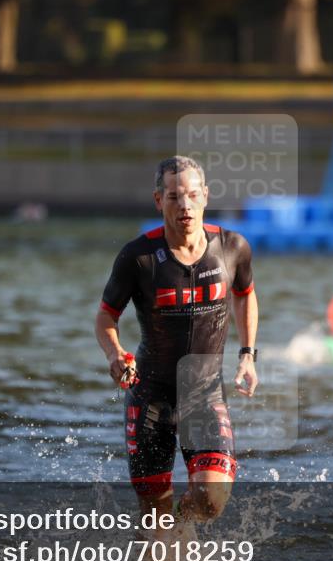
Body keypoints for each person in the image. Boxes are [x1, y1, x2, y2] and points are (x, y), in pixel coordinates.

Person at [94, 156, 259, 528]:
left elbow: (245, 293)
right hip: (150, 398)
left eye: (191, 195)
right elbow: (106, 316)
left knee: (211, 500)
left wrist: (247, 355)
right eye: (173, 197)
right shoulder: (137, 258)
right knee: (155, 519)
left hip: (205, 395)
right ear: (158, 201)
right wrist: (115, 353)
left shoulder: (232, 247)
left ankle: (182, 526)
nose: (184, 205)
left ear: (205, 196)